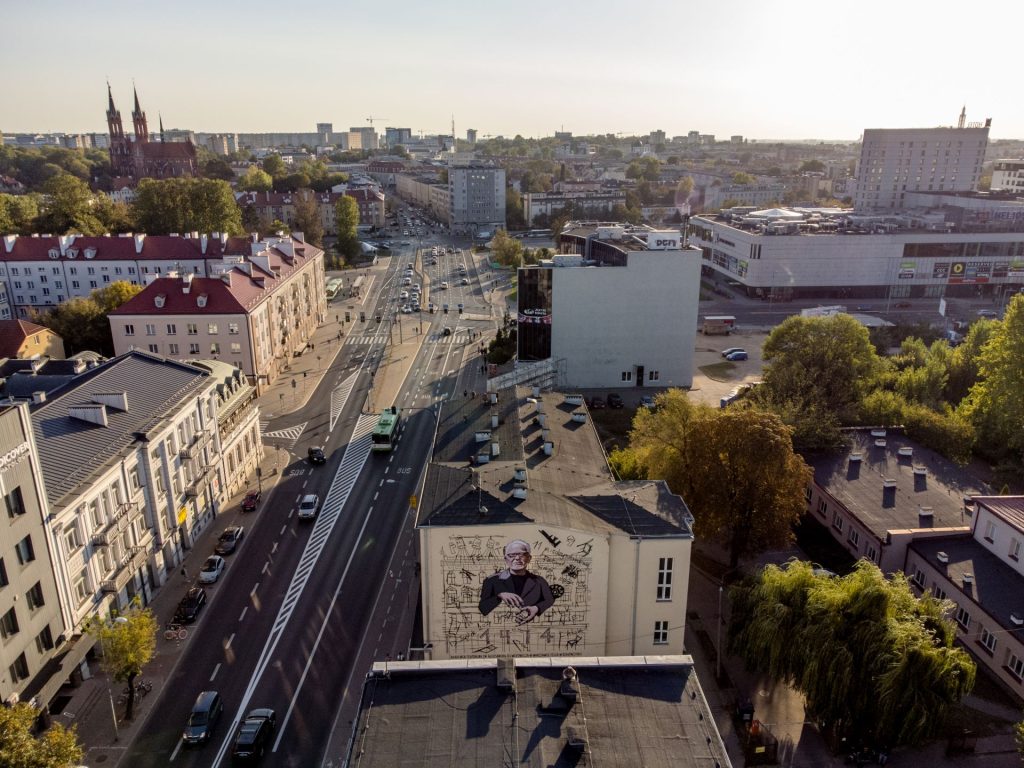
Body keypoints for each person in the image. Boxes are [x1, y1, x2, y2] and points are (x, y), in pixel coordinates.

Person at [479, 540, 555, 624]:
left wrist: (536, 608)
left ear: (529, 558)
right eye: (512, 555)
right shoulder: (491, 581)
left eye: (522, 554)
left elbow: (549, 600)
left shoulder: (539, 581)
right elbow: (482, 608)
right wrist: (499, 596)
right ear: (505, 559)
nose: (517, 558)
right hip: (502, 626)